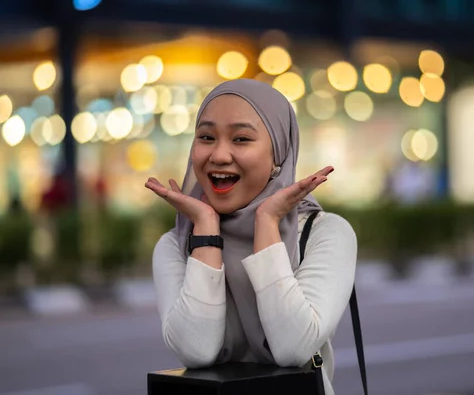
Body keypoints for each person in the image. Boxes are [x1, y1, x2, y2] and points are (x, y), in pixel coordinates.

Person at [145, 79, 357, 395]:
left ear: (278, 155)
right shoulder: (175, 245)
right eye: (206, 137)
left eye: (241, 139)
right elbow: (196, 349)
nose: (218, 155)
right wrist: (205, 228)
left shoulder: (324, 233)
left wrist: (268, 222)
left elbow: (292, 347)